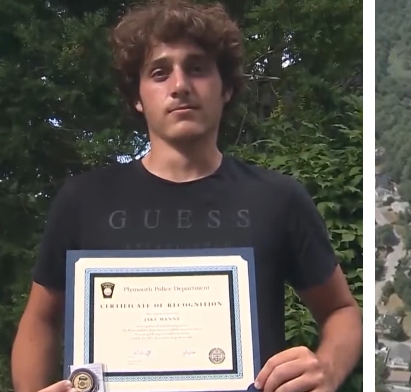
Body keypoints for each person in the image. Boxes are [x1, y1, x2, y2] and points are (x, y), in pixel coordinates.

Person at [10, 1, 363, 392]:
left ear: (226, 88)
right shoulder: (83, 200)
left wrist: (327, 369)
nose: (179, 85)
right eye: (159, 72)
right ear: (137, 97)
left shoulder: (279, 199)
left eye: (197, 68)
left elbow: (341, 311)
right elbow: (40, 320)